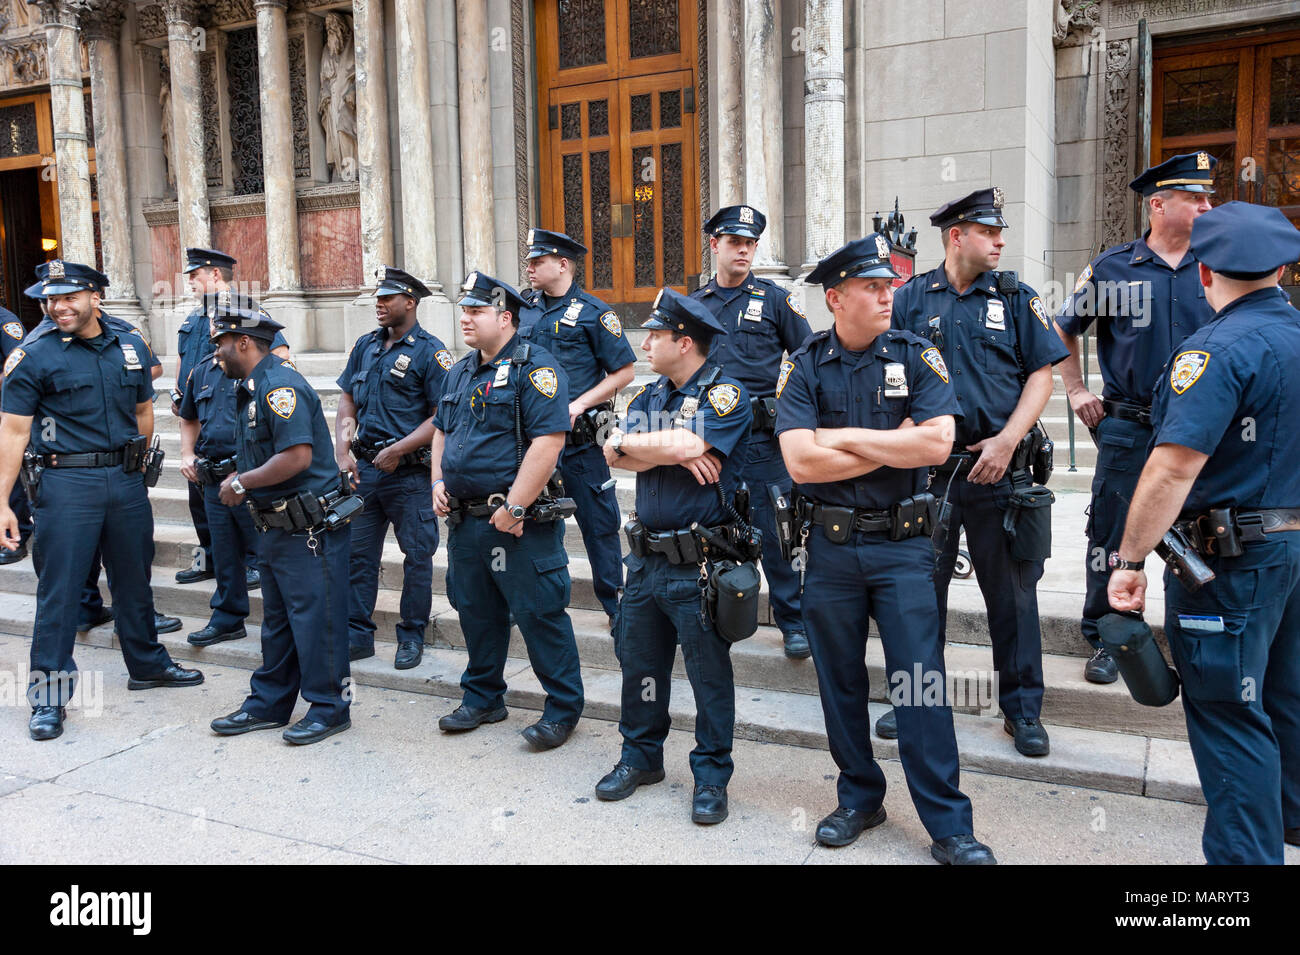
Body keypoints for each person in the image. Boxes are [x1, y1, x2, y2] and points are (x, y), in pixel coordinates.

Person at [777, 236, 995, 864]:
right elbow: (798, 462)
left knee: (920, 683)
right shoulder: (805, 363)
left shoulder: (918, 354)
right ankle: (859, 798)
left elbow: (934, 446)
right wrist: (885, 439)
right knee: (839, 681)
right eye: (873, 287)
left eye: (890, 284)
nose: (887, 294)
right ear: (835, 298)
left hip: (904, 548)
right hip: (831, 548)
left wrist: (839, 437)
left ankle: (949, 824)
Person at [1108, 201, 1300, 865]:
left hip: (1229, 563)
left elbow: (1170, 470)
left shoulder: (1213, 350)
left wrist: (1128, 559)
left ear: (1204, 271)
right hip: (1290, 556)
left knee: (1228, 717)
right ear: (1281, 267)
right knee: (1285, 697)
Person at [882, 188, 1068, 756]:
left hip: (999, 470)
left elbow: (1043, 375)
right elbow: (891, 376)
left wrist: (1009, 442)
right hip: (931, 474)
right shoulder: (911, 297)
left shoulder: (1015, 297)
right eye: (989, 232)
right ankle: (917, 701)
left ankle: (1022, 711)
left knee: (1012, 596)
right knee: (918, 595)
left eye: (1000, 231)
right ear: (956, 236)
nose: (1001, 241)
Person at [0, 260, 203, 741]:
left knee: (135, 579)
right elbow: (12, 431)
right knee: (60, 593)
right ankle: (48, 698)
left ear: (95, 296)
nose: (57, 306)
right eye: (50, 299)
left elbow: (142, 409)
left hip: (125, 479)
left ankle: (148, 665)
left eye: (69, 296)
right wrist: (2, 503)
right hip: (65, 484)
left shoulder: (129, 343)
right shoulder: (34, 354)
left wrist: (141, 462)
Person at [593, 288, 752, 825]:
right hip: (644, 563)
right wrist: (662, 446)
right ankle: (640, 758)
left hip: (699, 563)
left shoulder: (727, 393)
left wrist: (655, 446)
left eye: (655, 336)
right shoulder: (649, 395)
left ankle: (710, 776)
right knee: (640, 666)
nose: (645, 343)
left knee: (709, 677)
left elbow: (674, 448)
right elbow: (614, 453)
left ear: (684, 343)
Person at [1056, 153, 1217, 683]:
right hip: (1129, 424)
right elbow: (1064, 328)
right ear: (1158, 204)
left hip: (1200, 426)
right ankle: (1108, 637)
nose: (1207, 205)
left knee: (1199, 529)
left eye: (1207, 197)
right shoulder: (1113, 267)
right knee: (1112, 531)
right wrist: (1077, 388)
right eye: (1196, 198)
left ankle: (1192, 633)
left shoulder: (1218, 263)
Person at [431, 270, 584, 750]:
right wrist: (436, 479)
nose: (465, 319)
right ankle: (483, 698)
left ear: (505, 317)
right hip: (465, 519)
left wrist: (516, 507)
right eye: (464, 310)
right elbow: (441, 430)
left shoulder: (535, 368)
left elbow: (549, 440)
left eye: (476, 311)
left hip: (517, 525)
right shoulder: (460, 370)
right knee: (476, 612)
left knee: (540, 614)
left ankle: (562, 710)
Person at [207, 300, 353, 745]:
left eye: (222, 345)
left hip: (308, 529)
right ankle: (269, 703)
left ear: (245, 343)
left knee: (317, 621)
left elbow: (296, 456)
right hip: (275, 526)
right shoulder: (251, 388)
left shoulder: (278, 387)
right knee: (279, 622)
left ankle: (329, 708)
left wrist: (241, 483)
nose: (216, 354)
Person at [691, 205, 813, 659]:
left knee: (778, 532)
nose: (744, 250)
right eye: (734, 242)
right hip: (713, 441)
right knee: (714, 531)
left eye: (750, 244)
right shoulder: (696, 304)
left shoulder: (776, 299)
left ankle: (793, 622)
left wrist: (794, 414)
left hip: (764, 440)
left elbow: (808, 356)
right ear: (714, 245)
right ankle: (718, 614)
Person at [520, 229, 636, 630]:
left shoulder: (594, 312)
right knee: (531, 521)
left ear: (563, 264)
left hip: (581, 443)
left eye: (537, 261)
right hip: (532, 443)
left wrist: (580, 403)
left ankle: (615, 605)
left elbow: (624, 371)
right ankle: (532, 602)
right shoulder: (522, 310)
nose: (529, 267)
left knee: (600, 525)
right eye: (529, 261)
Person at [337, 267, 451, 669]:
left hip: (410, 476)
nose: (379, 304)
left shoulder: (431, 352)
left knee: (418, 557)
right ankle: (357, 635)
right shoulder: (365, 346)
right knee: (357, 555)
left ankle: (412, 636)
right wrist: (342, 449)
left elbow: (441, 418)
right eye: (377, 298)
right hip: (366, 471)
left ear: (411, 302)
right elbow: (348, 399)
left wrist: (399, 450)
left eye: (387, 298)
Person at [173, 247, 289, 586]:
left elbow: (279, 356)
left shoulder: (246, 310)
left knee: (243, 500)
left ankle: (253, 561)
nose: (190, 281)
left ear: (214, 274)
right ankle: (209, 557)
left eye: (195, 275)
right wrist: (182, 395)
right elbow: (185, 363)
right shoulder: (194, 318)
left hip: (235, 415)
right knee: (202, 500)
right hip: (201, 413)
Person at [178, 292, 262, 649]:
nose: (215, 328)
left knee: (269, 557)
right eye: (214, 321)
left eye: (224, 322)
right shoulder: (202, 371)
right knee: (225, 554)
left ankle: (283, 626)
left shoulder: (264, 370)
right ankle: (228, 618)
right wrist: (186, 454)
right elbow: (189, 417)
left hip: (250, 479)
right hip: (212, 478)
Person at [0, 298, 31, 566]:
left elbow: (15, 365)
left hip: (5, 411)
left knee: (9, 477)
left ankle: (16, 537)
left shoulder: (5, 321)